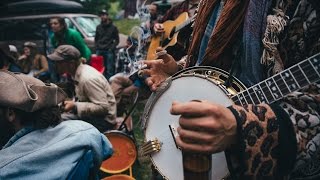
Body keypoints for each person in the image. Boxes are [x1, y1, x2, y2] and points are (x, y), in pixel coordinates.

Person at [142, 0, 320, 179]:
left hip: (259, 163)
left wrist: (243, 125)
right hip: (198, 148)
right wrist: (179, 70)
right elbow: (211, 59)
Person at [0, 70, 113, 179]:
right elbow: (107, 150)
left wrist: (75, 106)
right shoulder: (87, 132)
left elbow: (104, 107)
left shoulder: (4, 168)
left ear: (11, 113)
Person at [48, 45, 117, 133]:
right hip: (94, 116)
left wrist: (75, 106)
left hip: (104, 120)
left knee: (59, 124)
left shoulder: (87, 79)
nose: (55, 65)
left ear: (71, 63)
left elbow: (103, 107)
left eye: (59, 62)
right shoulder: (75, 74)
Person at [95, 10, 120, 80]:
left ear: (107, 16)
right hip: (100, 50)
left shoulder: (113, 27)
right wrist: (97, 46)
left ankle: (109, 84)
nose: (102, 16)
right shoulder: (98, 27)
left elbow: (117, 40)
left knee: (109, 69)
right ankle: (100, 82)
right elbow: (96, 38)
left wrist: (111, 48)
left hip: (109, 51)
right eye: (101, 15)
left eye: (104, 15)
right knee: (99, 69)